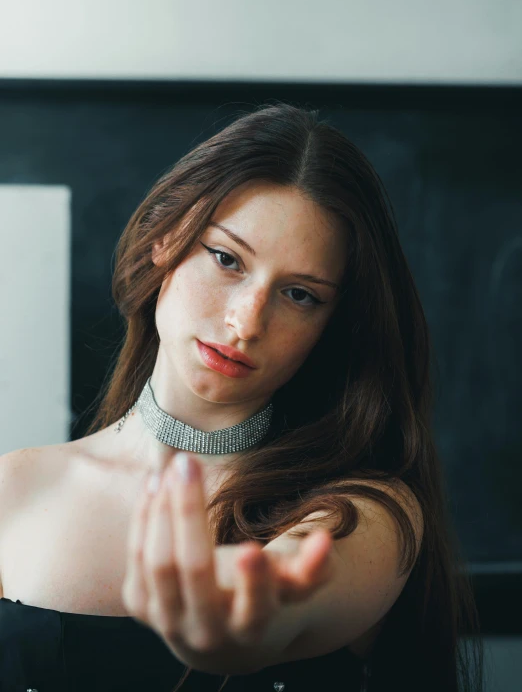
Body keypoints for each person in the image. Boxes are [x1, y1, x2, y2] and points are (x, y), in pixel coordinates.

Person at [0, 102, 483, 692]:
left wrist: (244, 615)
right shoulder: (11, 491)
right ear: (165, 237)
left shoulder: (364, 511)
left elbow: (293, 587)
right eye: (227, 259)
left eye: (300, 295)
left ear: (333, 324)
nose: (245, 322)